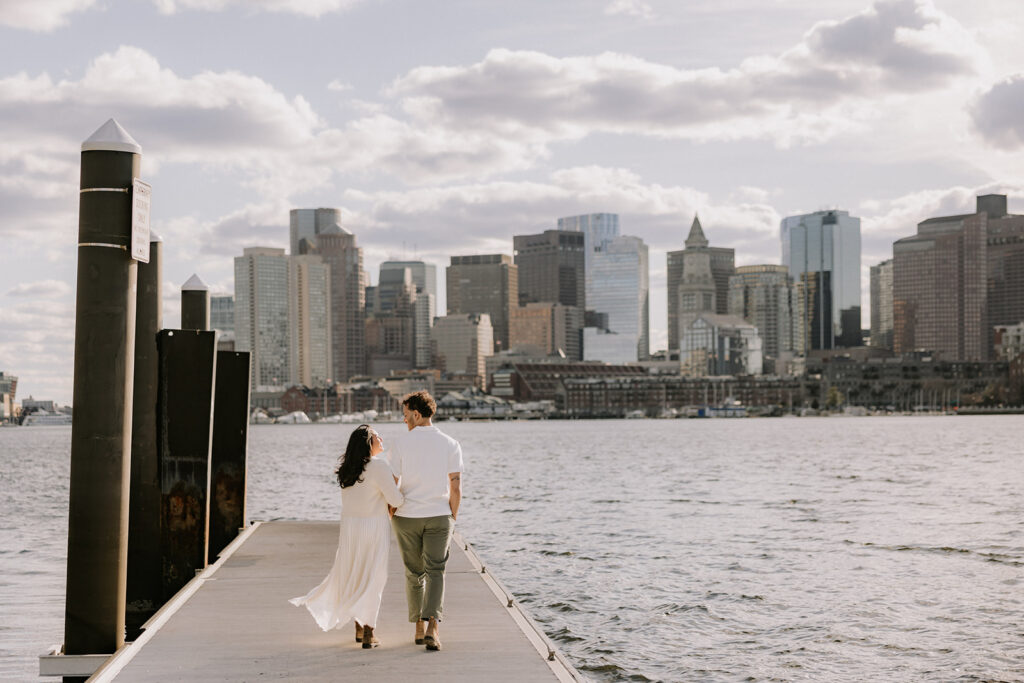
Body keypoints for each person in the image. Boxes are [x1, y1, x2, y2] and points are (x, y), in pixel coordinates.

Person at [289, 424, 403, 649]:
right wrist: (397, 483)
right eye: (377, 436)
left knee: (354, 574)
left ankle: (359, 628)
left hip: (351, 529)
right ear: (369, 442)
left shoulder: (347, 469)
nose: (382, 439)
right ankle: (370, 631)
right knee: (374, 578)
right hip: (374, 528)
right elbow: (397, 500)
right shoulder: (378, 466)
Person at [388, 391, 463, 651]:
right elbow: (456, 486)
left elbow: (392, 484)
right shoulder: (451, 443)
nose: (404, 420)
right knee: (436, 571)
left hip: (406, 516)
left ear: (417, 414)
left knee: (414, 572)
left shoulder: (400, 443)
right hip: (439, 515)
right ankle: (433, 626)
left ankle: (418, 627)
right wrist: (452, 516)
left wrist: (391, 513)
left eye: (406, 415)